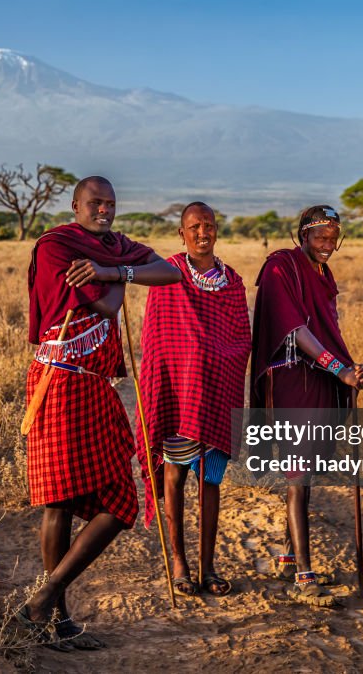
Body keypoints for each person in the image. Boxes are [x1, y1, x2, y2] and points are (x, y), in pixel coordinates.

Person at [21, 176, 181, 650]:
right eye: (95, 203)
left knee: (120, 503)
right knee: (61, 502)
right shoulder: (55, 246)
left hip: (95, 384)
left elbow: (168, 272)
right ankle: (57, 617)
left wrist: (113, 269)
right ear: (75, 206)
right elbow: (109, 307)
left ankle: (43, 598)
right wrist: (121, 273)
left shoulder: (114, 247)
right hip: (60, 380)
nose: (104, 210)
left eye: (111, 203)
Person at [250, 204, 363, 607]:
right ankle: (304, 575)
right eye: (320, 238)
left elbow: (327, 328)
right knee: (297, 477)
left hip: (317, 379)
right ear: (301, 235)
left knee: (309, 472)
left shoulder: (323, 272)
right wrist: (339, 369)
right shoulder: (279, 267)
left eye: (334, 239)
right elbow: (295, 328)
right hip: (291, 381)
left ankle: (287, 556)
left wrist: (347, 369)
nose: (328, 246)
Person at [134, 202, 251, 598]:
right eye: (194, 227)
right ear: (181, 233)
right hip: (179, 399)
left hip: (217, 394)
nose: (203, 233)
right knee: (175, 478)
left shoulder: (231, 282)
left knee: (211, 483)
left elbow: (241, 340)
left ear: (217, 230)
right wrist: (194, 355)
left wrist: (213, 358)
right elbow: (158, 342)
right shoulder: (169, 274)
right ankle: (180, 564)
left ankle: (208, 565)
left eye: (210, 226)